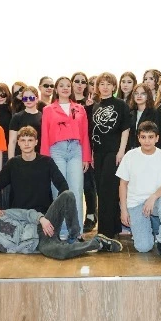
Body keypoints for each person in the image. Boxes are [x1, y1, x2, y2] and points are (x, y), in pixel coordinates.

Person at [0, 201, 122, 259]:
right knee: (61, 254)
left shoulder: (2, 215)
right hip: (39, 245)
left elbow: (26, 214)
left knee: (67, 195)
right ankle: (97, 243)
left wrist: (42, 219)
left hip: (42, 227)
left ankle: (73, 236)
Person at [117, 121, 161, 258]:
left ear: (157, 138)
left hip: (156, 201)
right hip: (135, 204)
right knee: (143, 247)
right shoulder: (130, 156)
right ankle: (149, 230)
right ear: (138, 138)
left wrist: (153, 197)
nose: (147, 141)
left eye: (151, 137)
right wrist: (124, 210)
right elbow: (123, 184)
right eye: (143, 137)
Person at [40, 76, 91, 236]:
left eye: (68, 85)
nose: (65, 88)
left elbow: (85, 134)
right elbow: (45, 135)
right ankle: (62, 231)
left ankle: (77, 231)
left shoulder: (80, 108)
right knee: (59, 190)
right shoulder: (48, 109)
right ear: (56, 89)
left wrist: (86, 157)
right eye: (61, 85)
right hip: (57, 151)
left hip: (76, 150)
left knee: (76, 190)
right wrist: (45, 160)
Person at [89, 72, 131, 238]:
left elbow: (125, 129)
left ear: (114, 86)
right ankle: (113, 228)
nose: (105, 87)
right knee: (101, 190)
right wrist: (92, 153)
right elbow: (93, 132)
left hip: (113, 152)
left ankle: (105, 232)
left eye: (108, 84)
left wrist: (121, 151)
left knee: (108, 190)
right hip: (98, 153)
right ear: (97, 87)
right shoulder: (96, 106)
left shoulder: (121, 104)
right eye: (102, 84)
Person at [71, 72, 97, 231]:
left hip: (88, 147)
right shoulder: (66, 102)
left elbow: (92, 129)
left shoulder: (92, 103)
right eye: (77, 81)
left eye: (83, 82)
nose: (80, 84)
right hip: (70, 147)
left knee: (88, 183)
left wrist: (90, 108)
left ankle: (91, 215)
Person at [7, 86, 42, 158]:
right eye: (25, 98)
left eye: (31, 98)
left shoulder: (43, 116)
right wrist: (11, 161)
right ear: (22, 100)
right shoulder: (17, 117)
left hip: (38, 156)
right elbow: (12, 141)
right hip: (20, 157)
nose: (28, 100)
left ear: (37, 99)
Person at [126, 83, 161, 151]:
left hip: (149, 149)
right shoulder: (130, 113)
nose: (139, 96)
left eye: (143, 94)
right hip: (132, 150)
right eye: (136, 93)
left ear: (148, 96)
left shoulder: (154, 113)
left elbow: (158, 133)